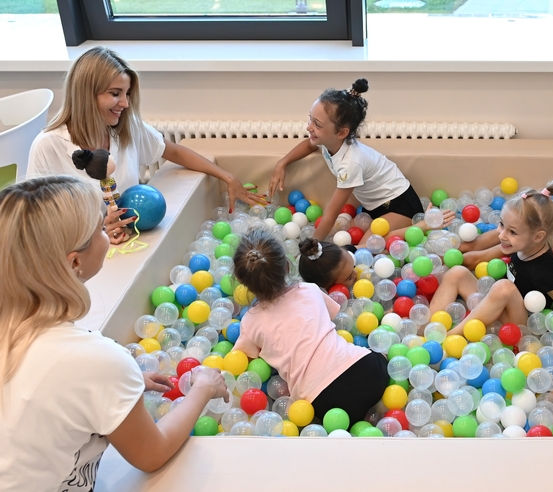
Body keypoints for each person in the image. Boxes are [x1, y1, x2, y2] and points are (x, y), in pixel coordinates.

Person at [0, 175, 229, 491]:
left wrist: (115, 387)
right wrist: (203, 388)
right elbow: (153, 452)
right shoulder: (96, 361)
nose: (108, 232)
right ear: (75, 261)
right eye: (98, 230)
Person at [27, 46, 264, 245]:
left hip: (128, 243)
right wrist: (97, 231)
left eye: (127, 94)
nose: (125, 103)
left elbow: (173, 150)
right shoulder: (48, 146)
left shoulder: (126, 129)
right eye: (115, 93)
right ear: (86, 94)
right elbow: (37, 228)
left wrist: (227, 177)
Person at [232, 228, 388, 425]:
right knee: (381, 356)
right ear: (287, 267)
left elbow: (242, 357)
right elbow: (330, 316)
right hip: (367, 371)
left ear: (241, 282)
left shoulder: (250, 322)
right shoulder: (309, 290)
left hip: (325, 402)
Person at [268, 78, 452, 243]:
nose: (309, 127)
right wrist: (282, 163)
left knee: (365, 247)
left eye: (317, 124)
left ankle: (424, 226)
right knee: (349, 235)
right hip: (373, 207)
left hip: (399, 205)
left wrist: (312, 245)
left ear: (341, 133)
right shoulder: (327, 140)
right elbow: (308, 145)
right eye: (310, 119)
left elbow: (331, 212)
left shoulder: (351, 162)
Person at [429, 180, 553, 336]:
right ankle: (428, 328)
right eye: (502, 224)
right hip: (496, 305)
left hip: (517, 328)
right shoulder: (521, 245)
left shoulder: (544, 270)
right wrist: (436, 260)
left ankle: (450, 337)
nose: (501, 235)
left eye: (512, 232)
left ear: (537, 237)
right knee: (457, 273)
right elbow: (476, 258)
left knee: (504, 288)